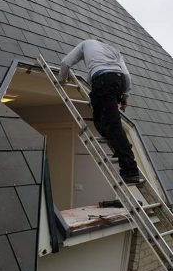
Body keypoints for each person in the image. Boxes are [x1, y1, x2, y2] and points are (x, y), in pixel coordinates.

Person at [58, 38, 140, 184]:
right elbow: (126, 75)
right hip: (117, 81)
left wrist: (62, 81)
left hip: (103, 80)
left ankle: (130, 171)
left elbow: (65, 63)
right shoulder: (112, 49)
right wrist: (124, 97)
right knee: (102, 120)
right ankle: (121, 145)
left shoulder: (86, 44)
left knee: (108, 123)